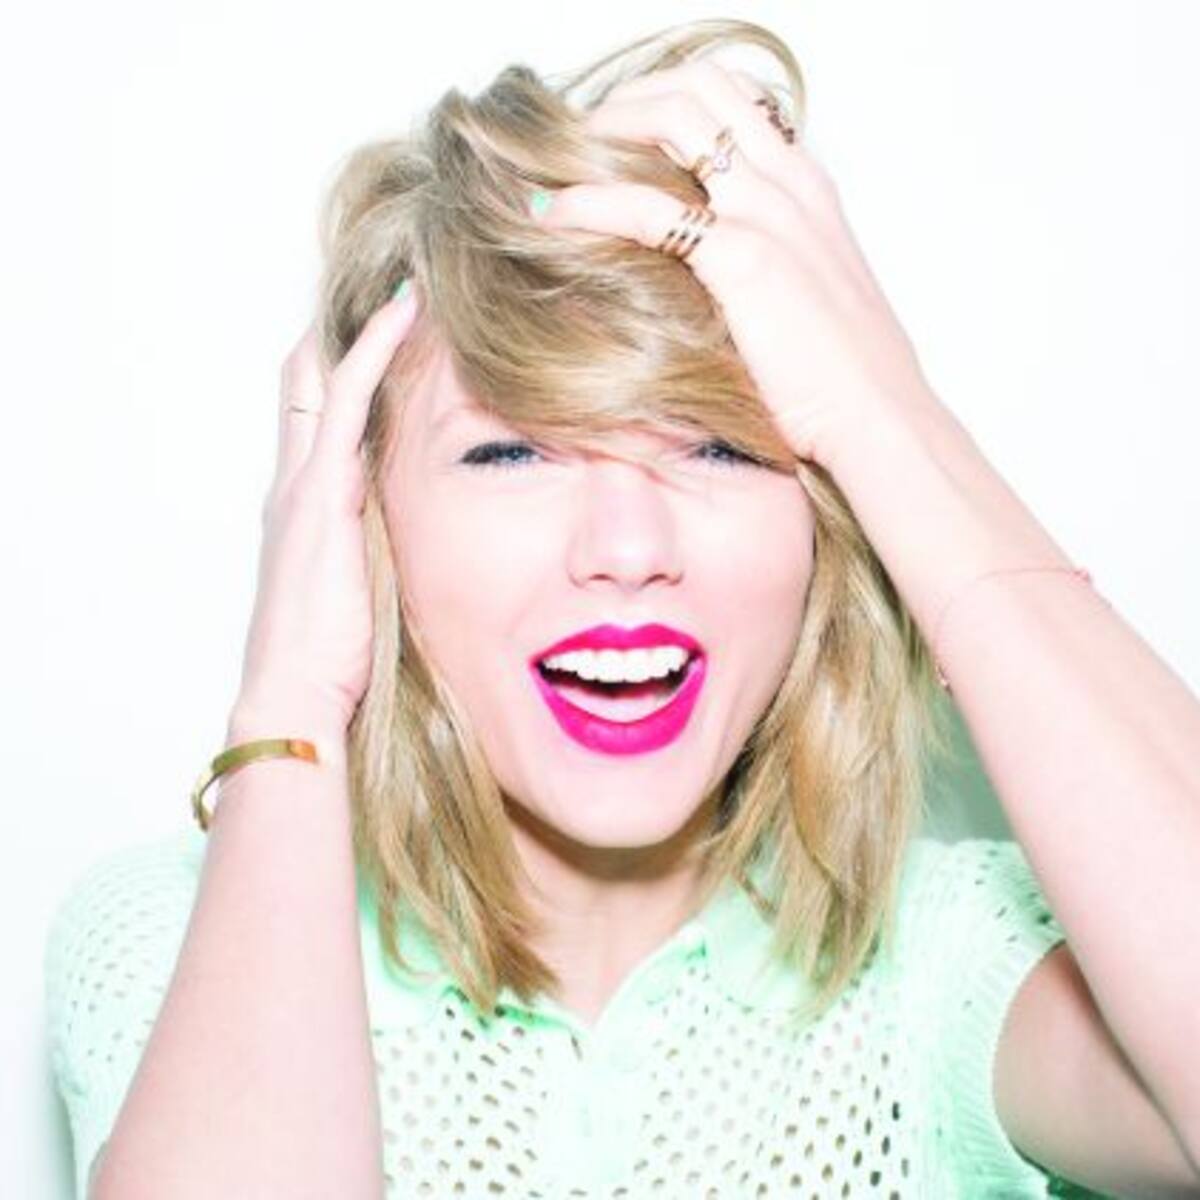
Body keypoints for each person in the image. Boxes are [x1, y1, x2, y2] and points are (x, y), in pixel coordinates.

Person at [44, 16, 1200, 1200]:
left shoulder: (954, 959)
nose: (629, 548)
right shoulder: (171, 933)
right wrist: (290, 706)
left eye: (720, 446)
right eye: (511, 453)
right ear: (361, 519)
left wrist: (887, 416)